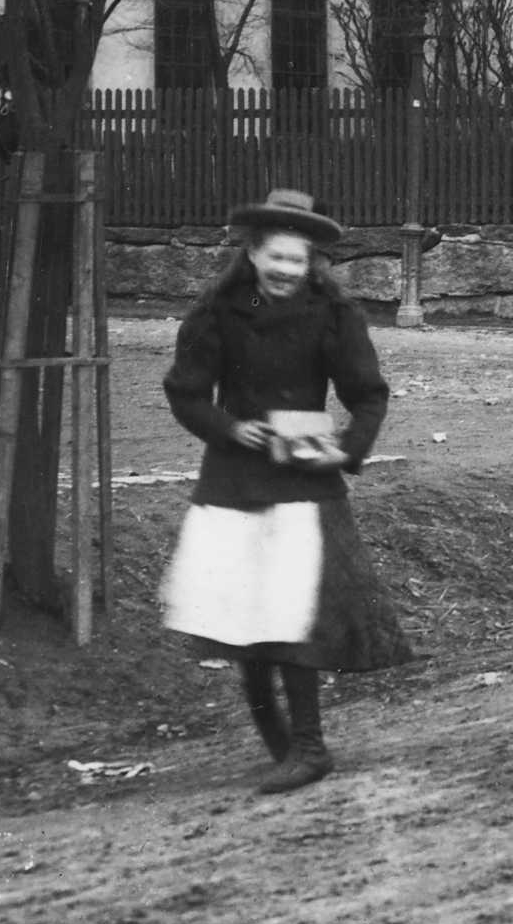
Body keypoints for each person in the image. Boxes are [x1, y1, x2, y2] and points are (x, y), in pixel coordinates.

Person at [154, 194, 415, 792]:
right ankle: (278, 742)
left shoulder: (333, 313)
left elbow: (369, 394)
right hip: (235, 478)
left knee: (291, 612)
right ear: (251, 253)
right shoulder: (219, 310)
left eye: (297, 261)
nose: (286, 271)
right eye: (276, 257)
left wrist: (347, 448)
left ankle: (308, 746)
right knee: (243, 615)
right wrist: (230, 427)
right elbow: (186, 391)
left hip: (303, 477)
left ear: (312, 262)